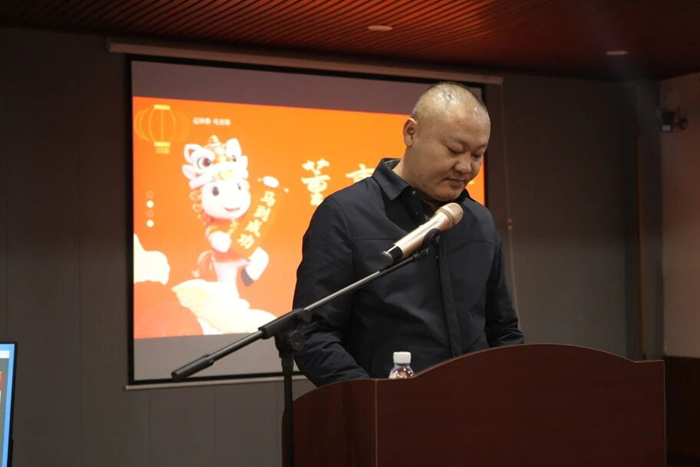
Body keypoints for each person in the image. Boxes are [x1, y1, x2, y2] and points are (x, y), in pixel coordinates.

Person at [293, 82, 524, 387]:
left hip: (475, 406)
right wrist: (374, 399)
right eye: (454, 151)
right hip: (386, 408)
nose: (465, 167)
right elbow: (312, 333)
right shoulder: (344, 214)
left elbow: (502, 329)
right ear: (411, 133)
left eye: (478, 155)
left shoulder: (479, 221)